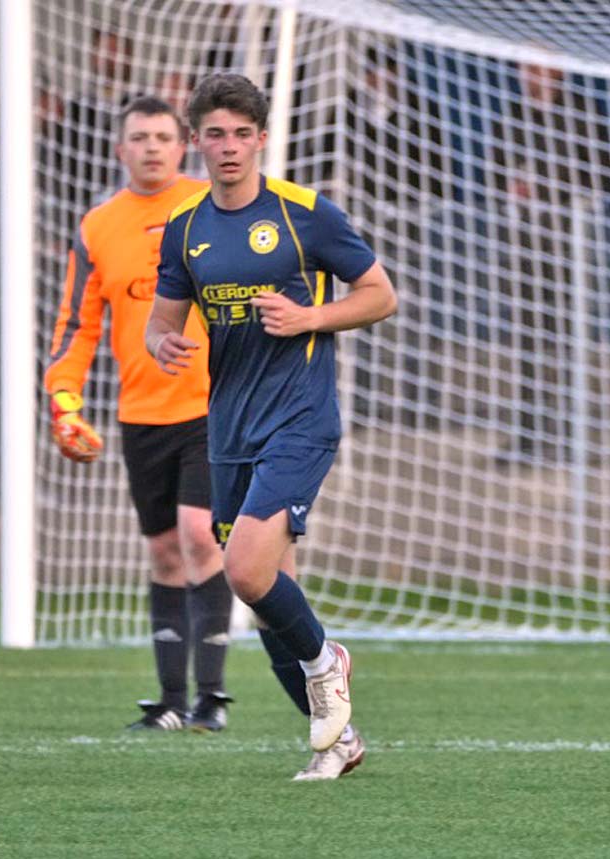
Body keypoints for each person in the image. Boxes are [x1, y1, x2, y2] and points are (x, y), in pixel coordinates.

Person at [146, 73, 397, 780]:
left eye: (241, 134)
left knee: (244, 569)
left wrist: (310, 316)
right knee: (266, 598)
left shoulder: (304, 214)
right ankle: (338, 743)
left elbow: (380, 295)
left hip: (300, 419)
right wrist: (162, 344)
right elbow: (160, 321)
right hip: (230, 427)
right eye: (215, 134)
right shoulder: (186, 228)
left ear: (261, 138)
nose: (228, 147)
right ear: (196, 141)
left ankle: (327, 660)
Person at [44, 96, 235, 732]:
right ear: (119, 149)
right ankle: (172, 703)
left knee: (200, 535)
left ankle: (212, 699)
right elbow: (77, 327)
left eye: (162, 136)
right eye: (139, 137)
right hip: (141, 414)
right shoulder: (99, 226)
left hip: (212, 405)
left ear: (183, 146)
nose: (152, 147)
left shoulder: (212, 208)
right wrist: (64, 398)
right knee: (163, 553)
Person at [489, 51, 610, 465]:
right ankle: (528, 431)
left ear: (557, 70)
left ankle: (571, 433)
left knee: (567, 337)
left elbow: (599, 176)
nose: (532, 76)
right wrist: (512, 189)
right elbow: (495, 172)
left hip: (568, 246)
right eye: (526, 68)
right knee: (528, 338)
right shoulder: (511, 116)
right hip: (523, 244)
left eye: (539, 68)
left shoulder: (582, 114)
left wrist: (542, 187)